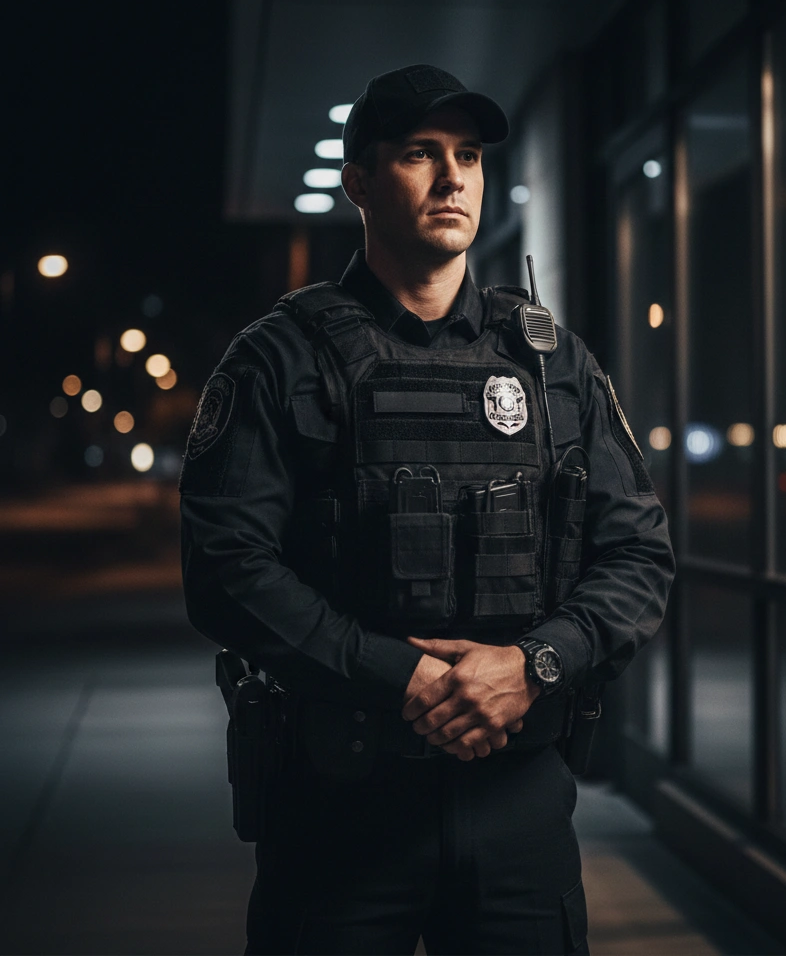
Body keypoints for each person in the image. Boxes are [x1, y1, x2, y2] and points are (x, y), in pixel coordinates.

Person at [179, 63, 675, 956]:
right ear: (360, 183)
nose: (453, 177)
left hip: (517, 808)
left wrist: (535, 665)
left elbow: (639, 556)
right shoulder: (278, 360)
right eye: (420, 153)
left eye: (470, 156)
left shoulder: (553, 362)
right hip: (338, 808)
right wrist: (400, 676)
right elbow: (225, 569)